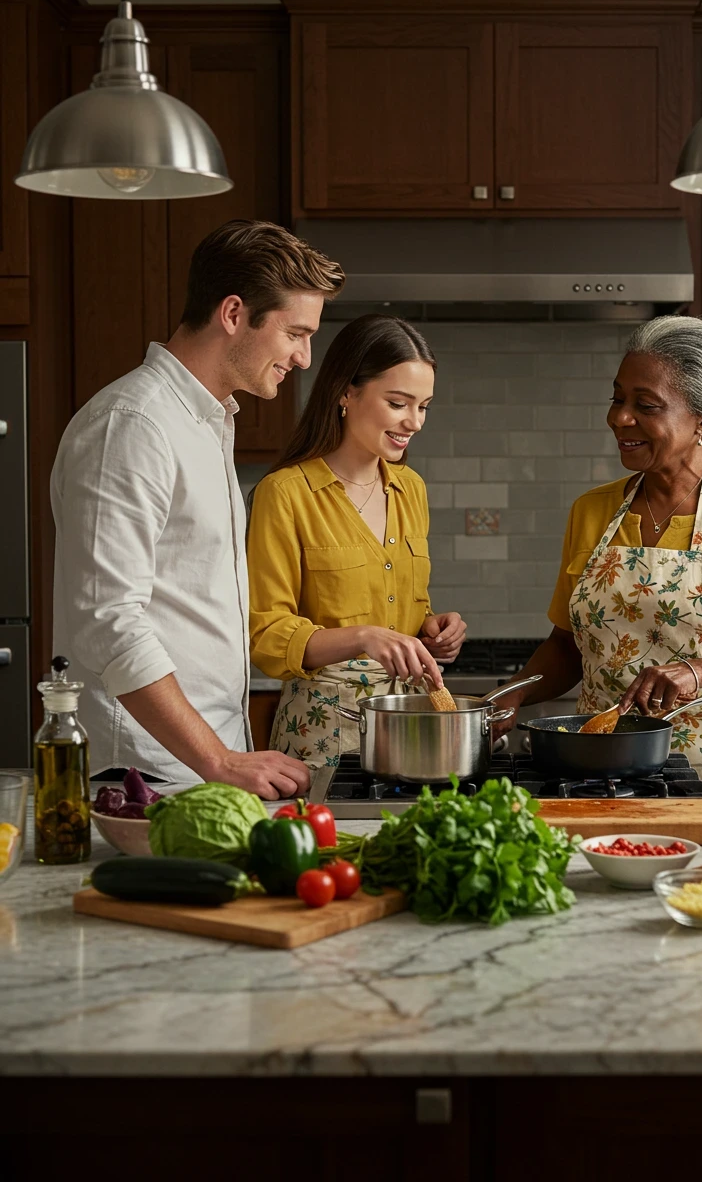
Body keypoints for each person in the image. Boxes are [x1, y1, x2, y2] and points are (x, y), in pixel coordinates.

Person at [51, 219, 344, 798]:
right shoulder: (132, 425)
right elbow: (108, 622)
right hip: (144, 776)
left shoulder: (206, 424)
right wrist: (218, 759)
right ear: (234, 314)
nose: (305, 358)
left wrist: (225, 758)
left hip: (202, 765)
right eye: (295, 333)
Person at [496, 315, 702, 770]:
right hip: (597, 766)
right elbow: (566, 647)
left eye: (646, 405)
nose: (619, 417)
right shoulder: (591, 511)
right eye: (617, 398)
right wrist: (511, 694)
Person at [248, 313, 466, 771]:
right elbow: (266, 635)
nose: (414, 421)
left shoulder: (412, 489)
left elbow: (402, 609)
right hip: (320, 731)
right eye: (398, 403)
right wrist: (363, 638)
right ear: (346, 392)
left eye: (424, 406)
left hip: (406, 726)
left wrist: (429, 630)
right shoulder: (286, 493)